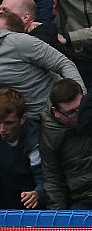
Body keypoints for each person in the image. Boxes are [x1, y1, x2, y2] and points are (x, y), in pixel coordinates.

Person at [41, 78, 92, 210]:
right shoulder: (50, 133)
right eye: (70, 112)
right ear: (56, 112)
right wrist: (57, 221)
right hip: (83, 199)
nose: (78, 115)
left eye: (80, 108)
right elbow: (52, 179)